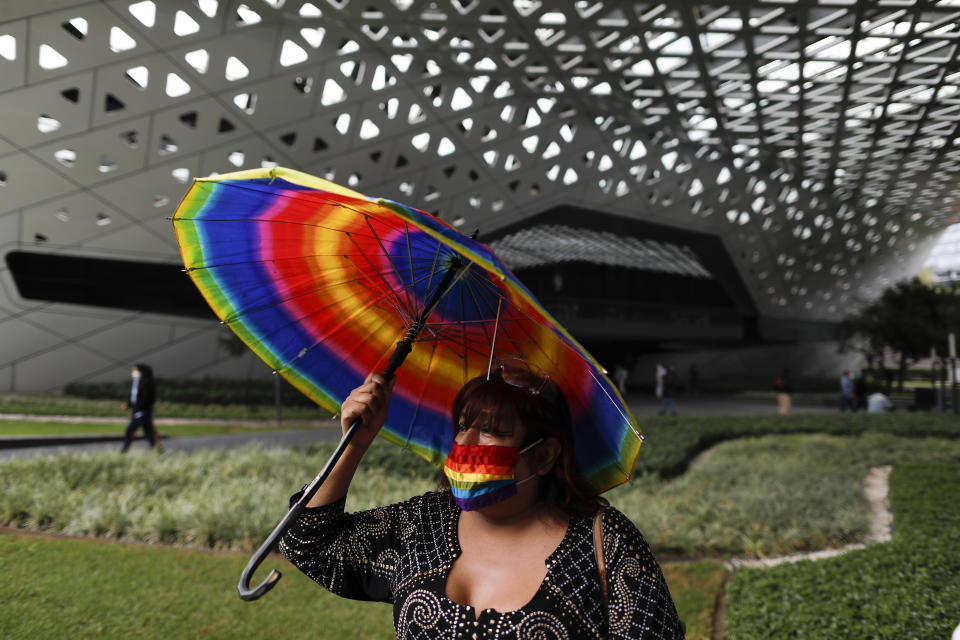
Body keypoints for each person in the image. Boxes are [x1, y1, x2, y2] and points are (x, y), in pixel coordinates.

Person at [279, 362, 685, 639]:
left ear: (543, 456)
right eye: (462, 426)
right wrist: (355, 444)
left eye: (490, 431)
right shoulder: (424, 523)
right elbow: (308, 544)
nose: (465, 443)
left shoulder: (605, 543)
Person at [120, 363, 161, 453]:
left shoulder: (148, 383)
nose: (134, 372)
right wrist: (128, 404)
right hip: (137, 413)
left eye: (135, 370)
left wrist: (134, 410)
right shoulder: (137, 382)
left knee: (148, 433)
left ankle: (158, 451)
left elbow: (144, 400)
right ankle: (123, 452)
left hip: (144, 413)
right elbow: (135, 398)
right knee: (130, 432)